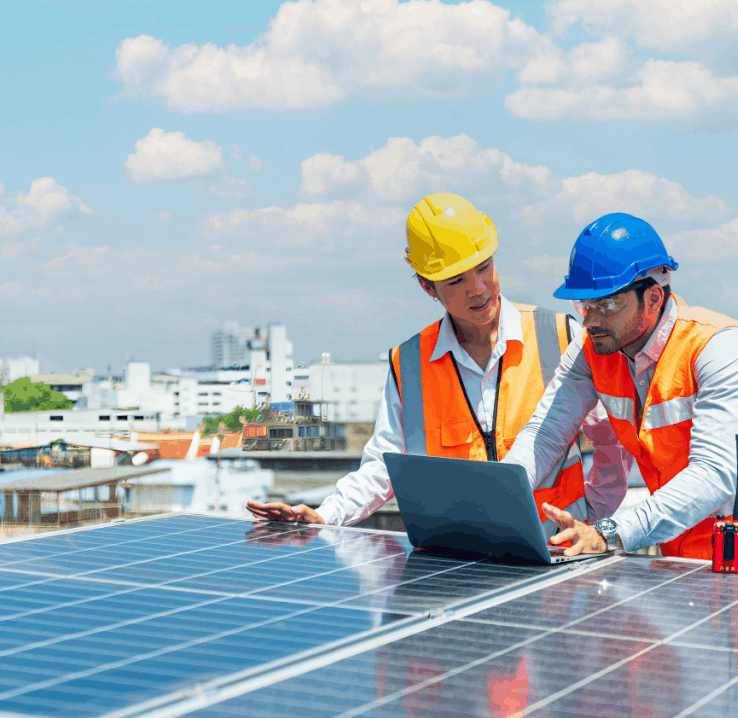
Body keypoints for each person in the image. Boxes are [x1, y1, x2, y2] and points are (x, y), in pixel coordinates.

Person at [248, 193, 627, 530]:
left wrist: (593, 517)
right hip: (460, 560)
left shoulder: (560, 335)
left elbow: (612, 440)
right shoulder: (409, 364)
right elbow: (384, 465)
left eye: (484, 267)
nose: (478, 289)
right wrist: (326, 515)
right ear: (428, 287)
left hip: (557, 563)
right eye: (457, 280)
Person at [503, 212, 738, 569]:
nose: (591, 320)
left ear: (654, 297)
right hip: (686, 558)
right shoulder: (593, 349)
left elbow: (713, 474)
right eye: (584, 305)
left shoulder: (719, 349)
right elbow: (547, 432)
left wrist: (610, 533)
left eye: (608, 305)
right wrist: (500, 492)